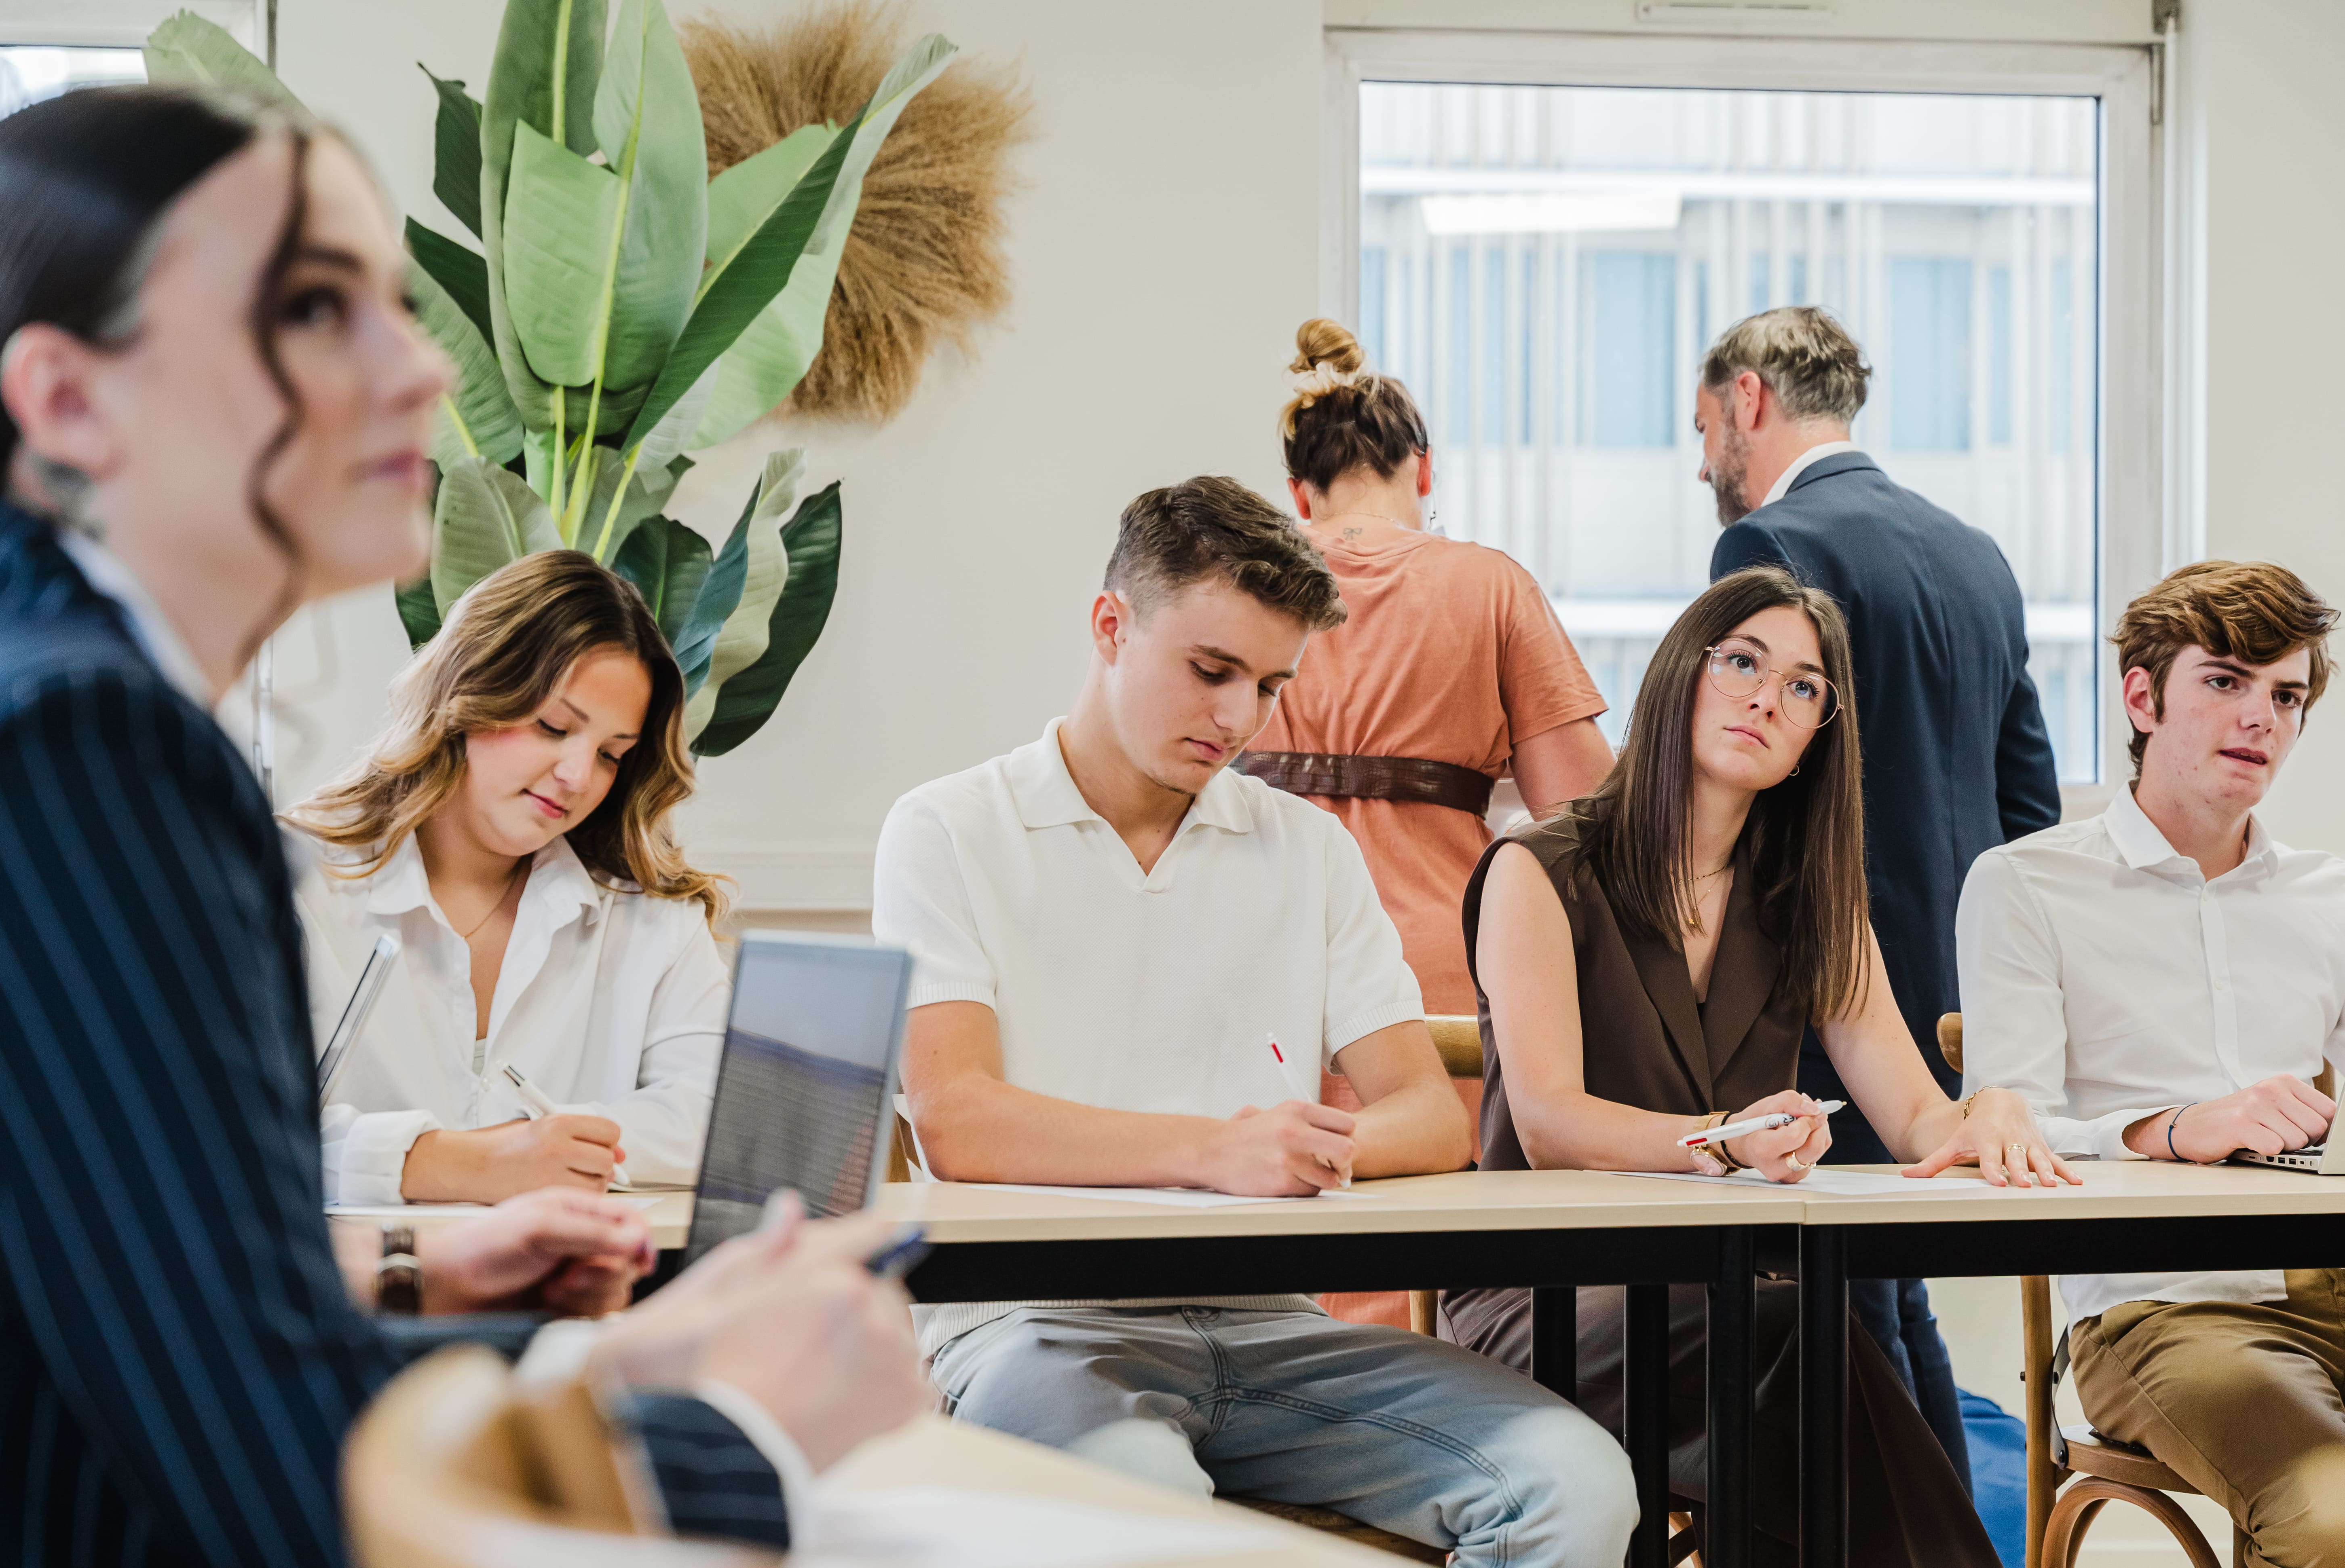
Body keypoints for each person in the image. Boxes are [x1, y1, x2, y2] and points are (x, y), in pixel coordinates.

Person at [0, 85, 923, 1564]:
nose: (420, 366)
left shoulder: (44, 692)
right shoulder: (87, 746)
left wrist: (463, 1301)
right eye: (313, 307)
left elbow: (136, 1304)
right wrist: (736, 1426)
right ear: (67, 400)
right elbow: (272, 1466)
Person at [874, 476, 1637, 1566]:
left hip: (1273, 1324)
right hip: (1034, 1326)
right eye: (1211, 670)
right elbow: (958, 1116)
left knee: (1575, 1479)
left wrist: (1304, 1149)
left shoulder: (1308, 850)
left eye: (1272, 684)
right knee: (1148, 1515)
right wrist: (1220, 1149)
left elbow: (1427, 1116)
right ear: (1109, 626)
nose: (1240, 718)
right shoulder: (947, 828)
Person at [1443, 565, 2074, 1567]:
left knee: (1796, 1370)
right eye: (1740, 661)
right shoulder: (1539, 866)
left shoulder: (1807, 896)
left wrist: (1989, 1107)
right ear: (1679, 674)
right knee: (1801, 1338)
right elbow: (1550, 1122)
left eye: (1800, 687)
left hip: (1723, 1291)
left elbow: (1915, 1113)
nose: (1762, 698)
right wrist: (1722, 1147)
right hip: (1542, 1296)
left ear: (1817, 733)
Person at [1700, 304, 2063, 1481]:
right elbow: (2029, 809)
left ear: (1748, 400)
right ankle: (1949, 1531)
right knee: (1885, 1295)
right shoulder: (1978, 555)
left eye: (1704, 426)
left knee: (1833, 1318)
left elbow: (1751, 792)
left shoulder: (1770, 543)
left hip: (1826, 993)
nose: (1701, 457)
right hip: (1955, 1003)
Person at [1959, 560, 2345, 1565]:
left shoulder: (2331, 894)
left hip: (2331, 1278)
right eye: (2224, 680)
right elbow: (2008, 1133)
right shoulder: (2023, 886)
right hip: (2162, 1307)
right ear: (2140, 695)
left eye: (2286, 695)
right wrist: (2170, 1130)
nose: (2260, 716)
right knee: (2330, 1514)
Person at [1245, 318, 1614, 1327]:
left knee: (1269, 1222)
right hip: (1437, 977)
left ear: (1296, 492)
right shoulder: (1488, 584)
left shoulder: (1244, 583)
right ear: (1422, 467)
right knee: (1424, 1252)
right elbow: (1590, 823)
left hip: (1257, 953)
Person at [284, 550, 725, 1205]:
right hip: (352, 1299)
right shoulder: (287, 880)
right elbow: (216, 1132)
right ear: (467, 694)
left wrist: (533, 1149)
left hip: (587, 1300)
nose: (578, 777)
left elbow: (715, 1121)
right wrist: (466, 1162)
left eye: (611, 754)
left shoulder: (653, 916)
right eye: (552, 726)